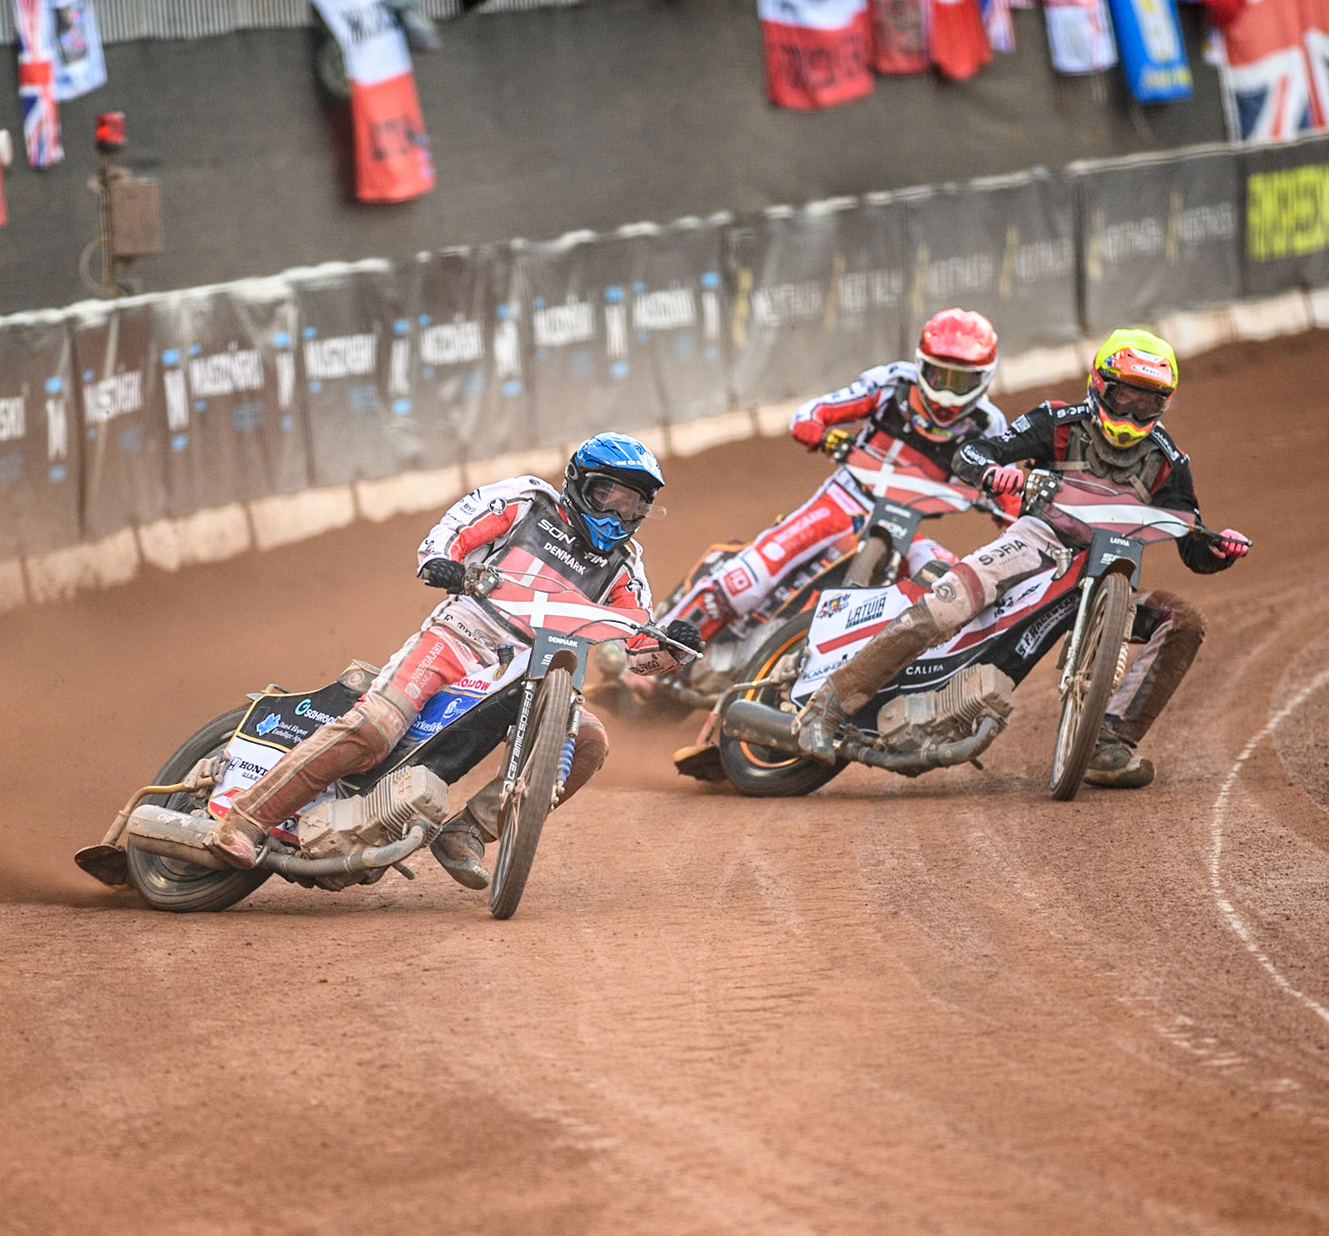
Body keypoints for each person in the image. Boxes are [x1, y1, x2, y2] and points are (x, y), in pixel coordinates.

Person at [209, 432, 701, 888]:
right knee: (376, 727)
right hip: (463, 636)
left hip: (538, 671)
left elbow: (638, 650)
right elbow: (454, 530)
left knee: (590, 741)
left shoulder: (624, 566)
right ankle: (247, 818)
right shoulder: (529, 502)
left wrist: (670, 647)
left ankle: (467, 831)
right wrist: (442, 561)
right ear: (578, 483)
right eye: (606, 496)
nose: (616, 514)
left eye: (631, 503)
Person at [793, 328, 1251, 787]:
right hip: (1038, 542)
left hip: (1110, 569)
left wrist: (1220, 549)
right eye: (1125, 396)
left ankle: (1108, 742)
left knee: (1185, 621)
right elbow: (973, 453)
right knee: (948, 603)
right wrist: (998, 475)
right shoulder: (1058, 421)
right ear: (1099, 385)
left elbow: (1193, 545)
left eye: (1147, 403)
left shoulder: (1169, 459)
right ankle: (826, 708)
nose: (1133, 412)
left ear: (1163, 405)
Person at [652, 308, 1008, 656]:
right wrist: (823, 435)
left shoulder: (988, 426)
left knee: (952, 585)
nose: (946, 393)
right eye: (938, 376)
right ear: (921, 365)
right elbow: (810, 414)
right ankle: (651, 646)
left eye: (960, 381)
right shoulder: (891, 384)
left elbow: (1006, 494)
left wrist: (1013, 518)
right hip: (846, 500)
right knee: (746, 579)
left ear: (983, 378)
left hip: (906, 522)